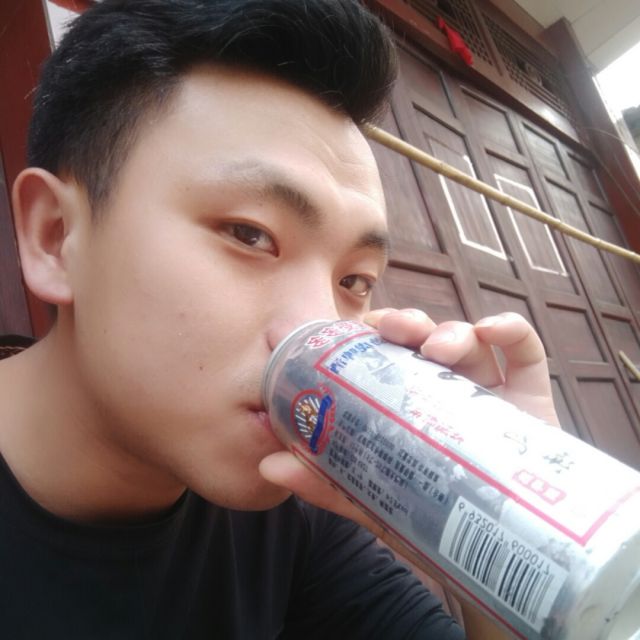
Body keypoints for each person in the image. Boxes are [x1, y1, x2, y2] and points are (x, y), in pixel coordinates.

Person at [0, 1, 558, 638]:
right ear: (56, 237)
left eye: (353, 282)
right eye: (249, 234)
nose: (319, 333)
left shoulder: (293, 513)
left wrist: (513, 515)